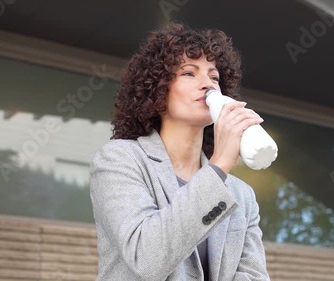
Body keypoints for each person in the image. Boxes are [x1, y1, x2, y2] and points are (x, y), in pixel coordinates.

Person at [89, 23, 270, 281]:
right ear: (158, 87)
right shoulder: (119, 160)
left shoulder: (242, 195)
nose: (207, 84)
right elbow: (147, 256)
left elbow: (254, 276)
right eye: (189, 73)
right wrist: (218, 166)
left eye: (214, 77)